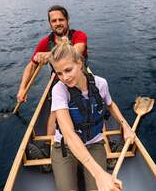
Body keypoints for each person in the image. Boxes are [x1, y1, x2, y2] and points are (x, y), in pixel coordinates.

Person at [49, 37, 135, 191]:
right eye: (59, 73)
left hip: (94, 143)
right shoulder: (59, 90)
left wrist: (126, 126)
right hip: (65, 148)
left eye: (68, 70)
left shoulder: (101, 83)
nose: (65, 77)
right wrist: (99, 174)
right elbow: (68, 135)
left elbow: (110, 105)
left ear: (80, 63)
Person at [16, 5, 88, 135]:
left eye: (61, 19)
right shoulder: (45, 42)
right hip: (59, 80)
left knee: (94, 102)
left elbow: (78, 50)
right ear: (50, 24)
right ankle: (48, 144)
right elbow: (31, 66)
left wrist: (49, 55)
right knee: (54, 111)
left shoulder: (79, 35)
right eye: (54, 21)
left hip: (81, 78)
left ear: (67, 21)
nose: (58, 23)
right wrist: (22, 88)